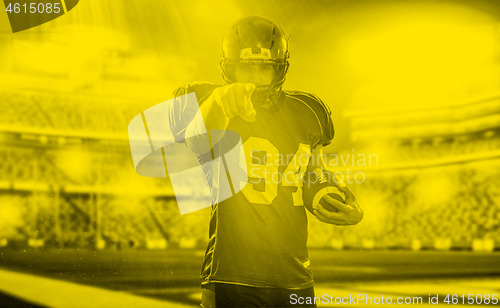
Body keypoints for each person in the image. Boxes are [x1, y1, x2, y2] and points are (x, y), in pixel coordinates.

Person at [170, 16, 363, 308]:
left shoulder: (308, 110)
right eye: (243, 67)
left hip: (296, 275)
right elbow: (200, 142)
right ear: (228, 67)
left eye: (263, 68)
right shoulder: (206, 99)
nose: (253, 78)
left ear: (280, 69)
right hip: (232, 275)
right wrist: (220, 103)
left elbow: (311, 173)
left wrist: (332, 197)